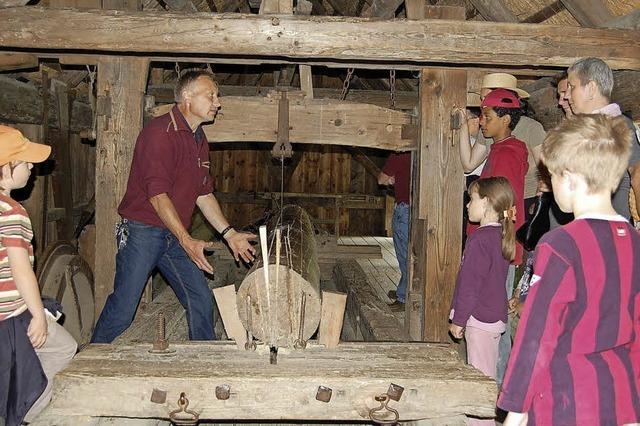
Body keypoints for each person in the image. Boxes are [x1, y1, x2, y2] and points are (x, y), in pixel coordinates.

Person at [91, 70, 257, 343]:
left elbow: (203, 194)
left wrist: (229, 233)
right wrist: (187, 240)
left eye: (217, 96)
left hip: (172, 235)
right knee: (123, 309)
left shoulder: (199, 139)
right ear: (187, 97)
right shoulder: (159, 133)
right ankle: (90, 363)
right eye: (211, 95)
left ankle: (200, 363)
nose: (218, 102)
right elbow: (158, 196)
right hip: (142, 233)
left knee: (200, 298)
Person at [498, 114, 640, 426]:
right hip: (619, 395)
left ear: (571, 178)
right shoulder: (633, 240)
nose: (549, 186)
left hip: (565, 399)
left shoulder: (561, 244)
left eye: (553, 176)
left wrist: (516, 409)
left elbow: (538, 333)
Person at [0, 125, 77, 425]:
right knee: (65, 348)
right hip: (12, 316)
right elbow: (21, 270)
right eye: (25, 161)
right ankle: (30, 412)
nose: (32, 166)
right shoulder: (12, 211)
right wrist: (37, 315)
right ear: (5, 168)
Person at [449, 177, 516, 425]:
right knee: (486, 373)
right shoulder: (500, 235)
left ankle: (481, 421)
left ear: (486, 202)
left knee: (480, 381)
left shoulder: (479, 239)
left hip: (480, 319)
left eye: (472, 199)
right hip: (494, 316)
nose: (467, 205)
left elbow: (470, 286)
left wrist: (459, 319)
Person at [462, 73, 546, 224]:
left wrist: (538, 201)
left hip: (525, 200)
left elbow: (546, 168)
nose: (483, 103)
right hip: (497, 203)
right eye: (482, 99)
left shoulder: (531, 128)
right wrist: (463, 125)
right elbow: (468, 165)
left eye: (486, 97)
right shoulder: (488, 130)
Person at [565, 57, 640, 221]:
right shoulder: (589, 127)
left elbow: (637, 172)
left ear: (591, 88)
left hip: (605, 233)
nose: (567, 96)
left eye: (572, 87)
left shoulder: (618, 125)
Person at [378, 152, 411, 312]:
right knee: (410, 254)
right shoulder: (420, 153)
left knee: (405, 256)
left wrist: (392, 179)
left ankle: (404, 297)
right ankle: (403, 289)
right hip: (418, 207)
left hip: (404, 210)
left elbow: (381, 179)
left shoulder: (399, 155)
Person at [462, 106, 485, 247]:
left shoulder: (476, 143)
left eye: (466, 119)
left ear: (477, 120)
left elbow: (468, 166)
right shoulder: (475, 142)